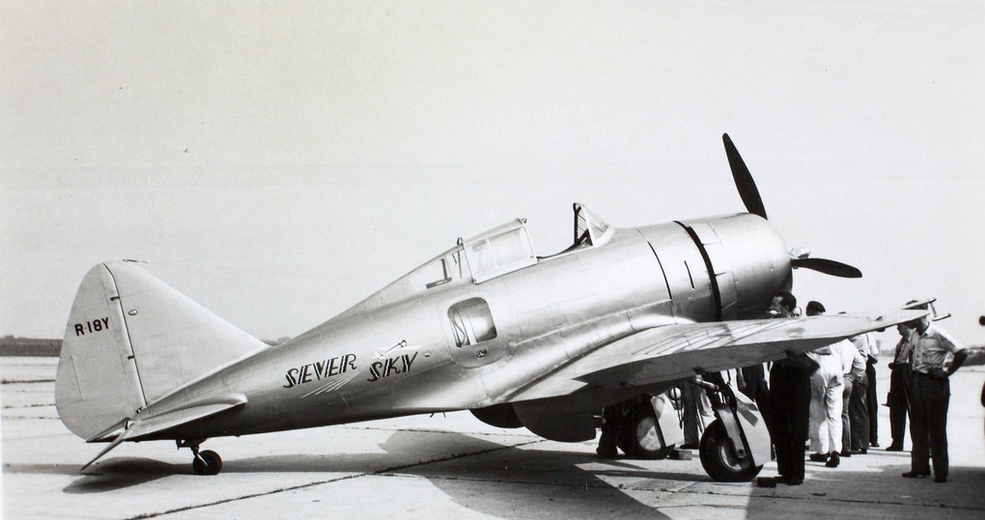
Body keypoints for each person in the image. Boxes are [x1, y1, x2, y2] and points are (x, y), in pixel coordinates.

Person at [904, 312, 968, 483]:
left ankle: (940, 471)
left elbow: (962, 352)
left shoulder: (938, 333)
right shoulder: (914, 335)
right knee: (917, 426)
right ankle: (919, 467)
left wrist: (946, 372)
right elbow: (912, 354)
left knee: (936, 428)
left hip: (934, 383)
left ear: (920, 316)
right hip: (918, 381)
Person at [768, 291, 814, 485]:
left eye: (775, 305)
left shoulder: (798, 327)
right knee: (779, 426)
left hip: (796, 378)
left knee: (796, 427)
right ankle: (785, 471)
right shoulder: (772, 327)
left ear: (786, 308)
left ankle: (796, 474)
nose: (772, 308)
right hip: (779, 375)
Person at [804, 301, 845, 468]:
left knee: (817, 414)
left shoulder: (812, 326)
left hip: (819, 371)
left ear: (811, 311)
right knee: (835, 414)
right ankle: (836, 451)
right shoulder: (834, 326)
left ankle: (822, 451)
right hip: (837, 371)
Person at [886, 322, 913, 451]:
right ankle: (897, 442)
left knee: (913, 410)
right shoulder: (902, 341)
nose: (897, 328)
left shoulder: (914, 339)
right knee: (896, 410)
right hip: (898, 373)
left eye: (900, 326)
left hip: (907, 373)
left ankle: (921, 445)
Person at [847, 333, 872, 454]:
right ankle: (860, 443)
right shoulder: (859, 337)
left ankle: (859, 443)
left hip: (857, 376)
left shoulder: (856, 337)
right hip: (859, 375)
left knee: (857, 410)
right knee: (858, 409)